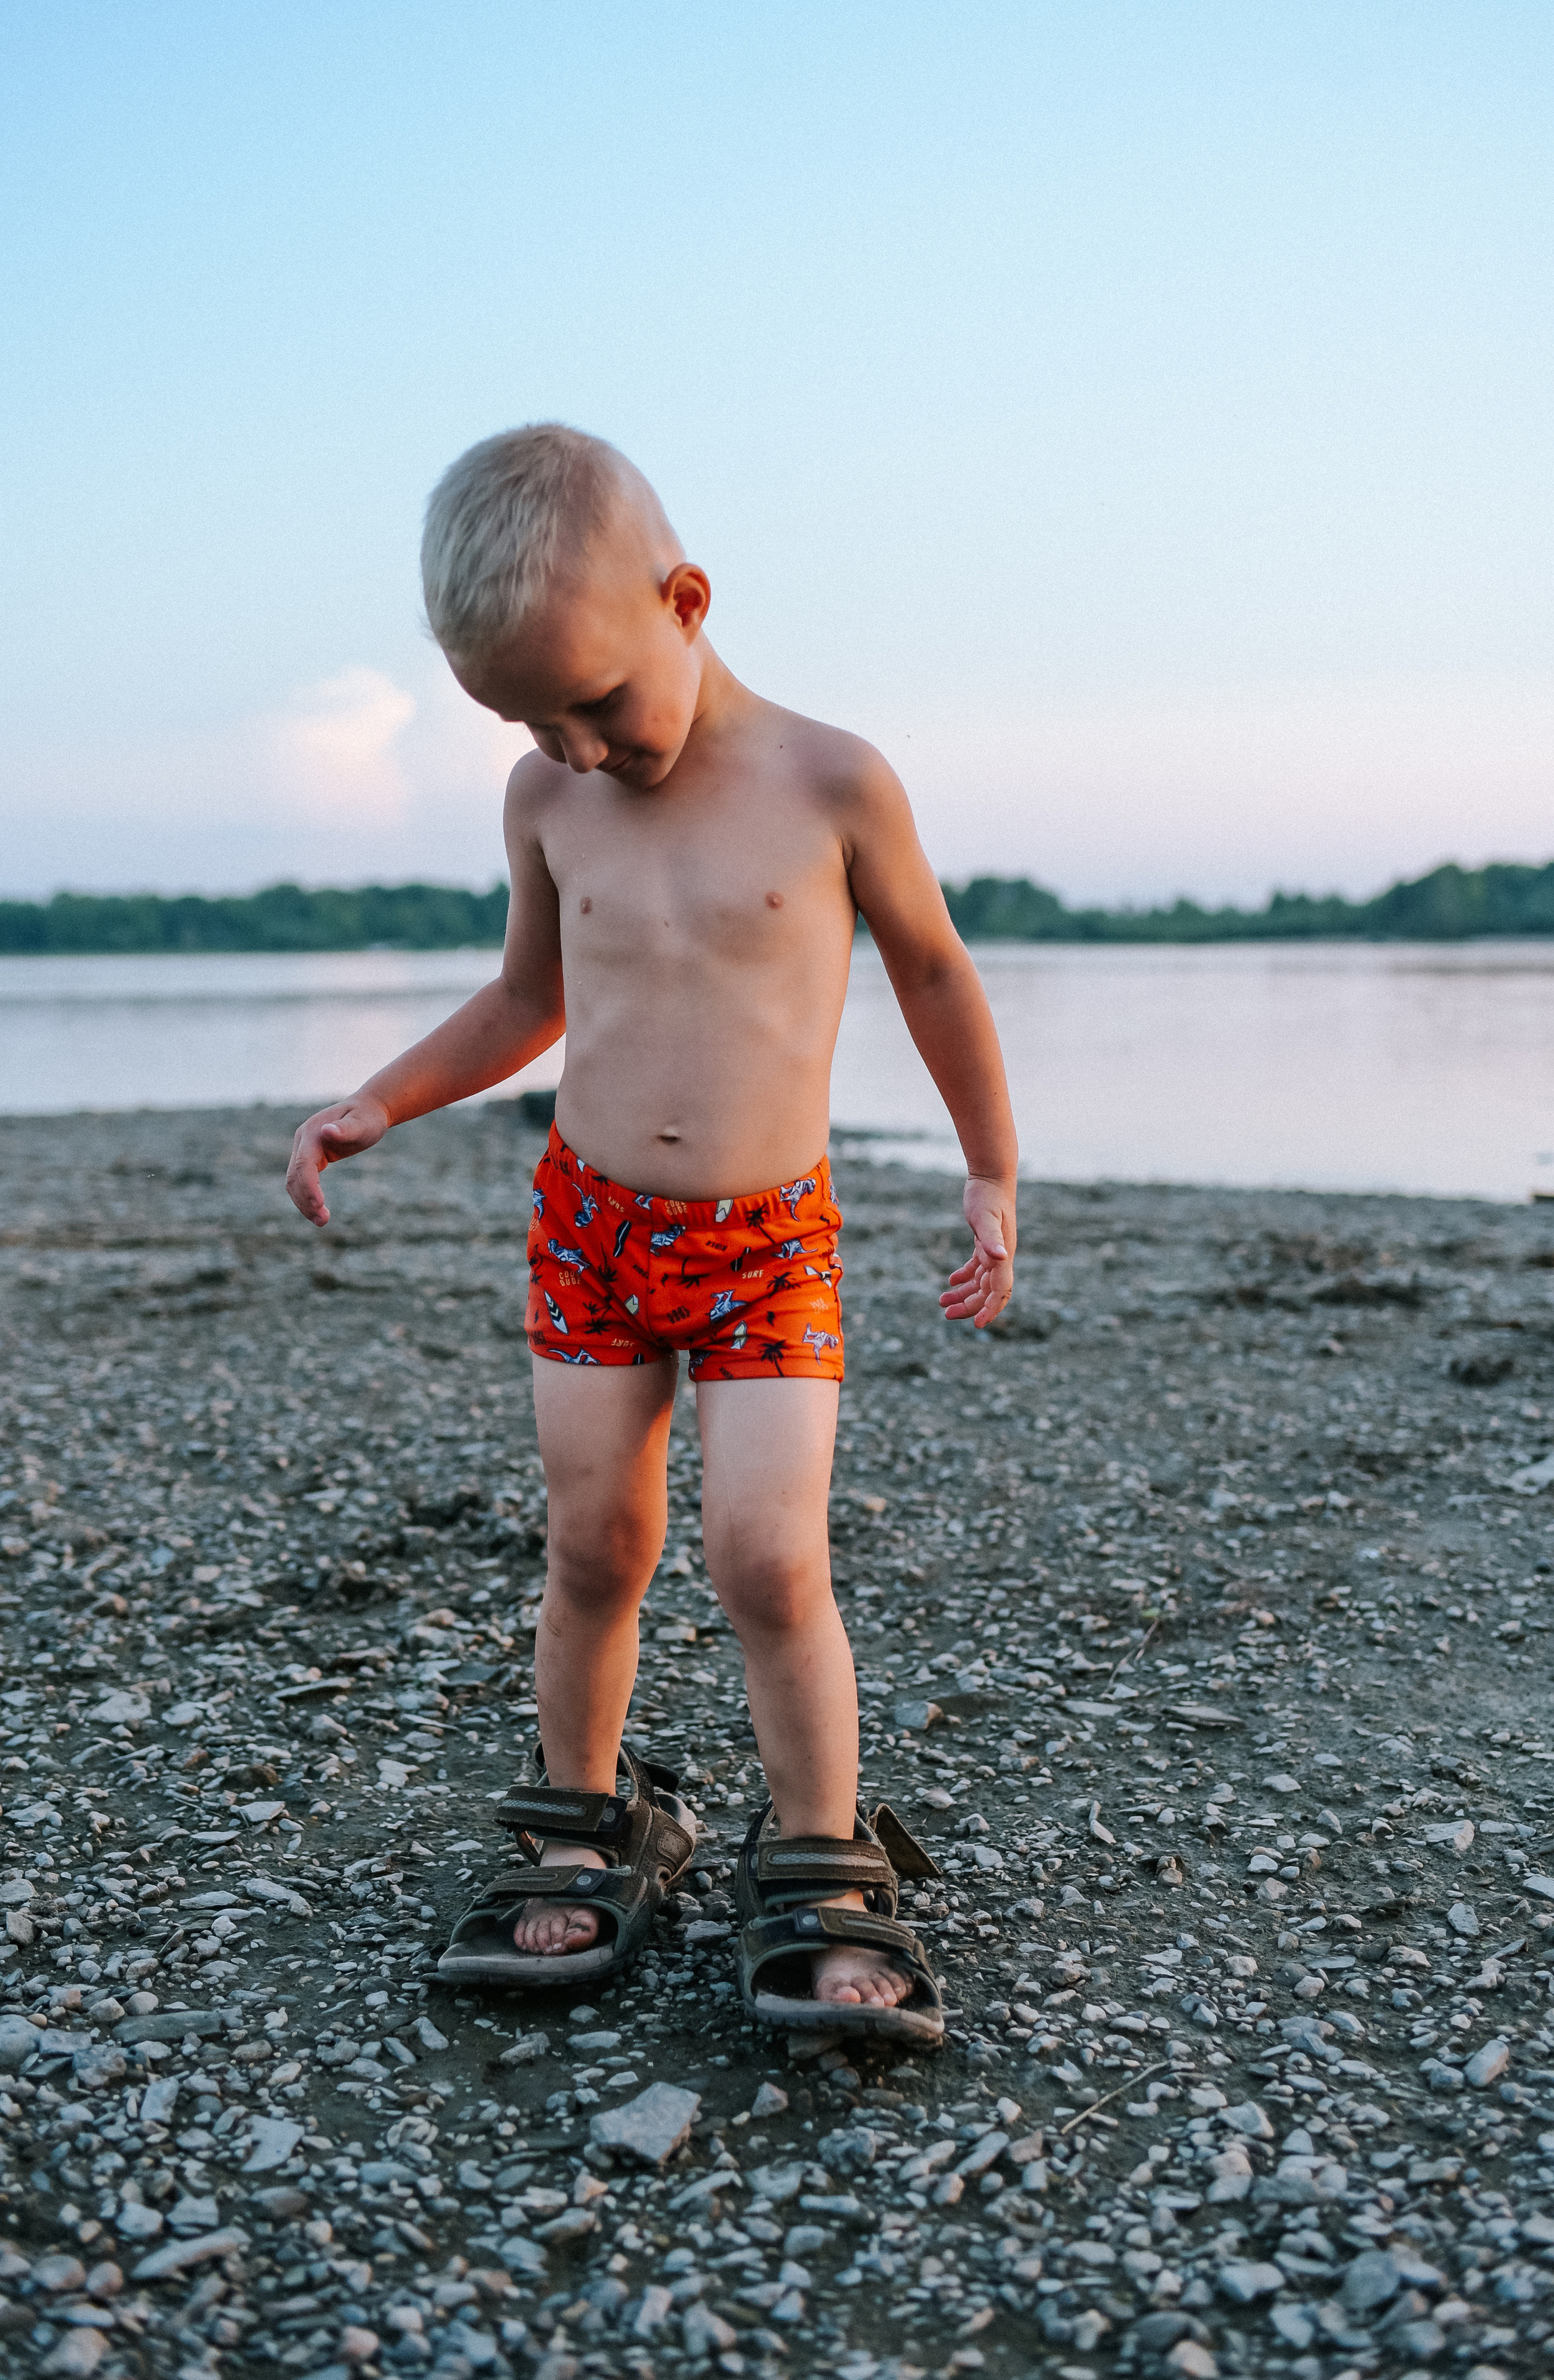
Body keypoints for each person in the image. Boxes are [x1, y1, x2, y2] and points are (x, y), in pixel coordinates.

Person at [286, 424, 1018, 2043]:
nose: (573, 745)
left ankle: (824, 1862)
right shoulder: (546, 795)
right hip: (592, 1229)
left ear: (687, 599)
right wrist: (379, 1101)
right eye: (530, 719)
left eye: (596, 700)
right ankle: (584, 1819)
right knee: (596, 1546)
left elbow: (936, 973)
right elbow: (528, 998)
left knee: (768, 1555)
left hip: (771, 1240)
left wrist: (990, 1171)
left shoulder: (834, 781)